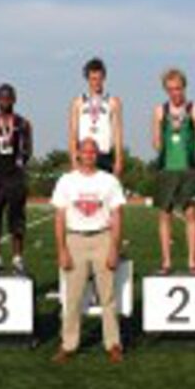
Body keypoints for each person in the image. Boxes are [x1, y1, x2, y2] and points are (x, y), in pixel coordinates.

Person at [51, 138, 125, 364]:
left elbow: (117, 216)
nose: (89, 155)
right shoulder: (66, 181)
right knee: (72, 298)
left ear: (97, 155)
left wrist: (114, 248)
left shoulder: (109, 180)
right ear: (78, 154)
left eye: (93, 152)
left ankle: (113, 344)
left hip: (102, 238)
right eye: (85, 151)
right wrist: (62, 249)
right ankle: (68, 344)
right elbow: (59, 217)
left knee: (108, 297)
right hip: (75, 239)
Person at [152, 68, 195, 275]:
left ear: (184, 87)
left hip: (188, 169)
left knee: (190, 214)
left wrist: (193, 157)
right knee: (164, 215)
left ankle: (192, 262)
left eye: (178, 88)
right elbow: (156, 139)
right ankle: (166, 262)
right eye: (170, 89)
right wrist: (163, 151)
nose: (175, 93)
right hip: (167, 169)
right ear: (166, 90)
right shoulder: (160, 110)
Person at [0, 83, 33, 276]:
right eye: (1, 97)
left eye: (8, 97)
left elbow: (28, 150)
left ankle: (18, 259)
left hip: (15, 176)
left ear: (14, 99)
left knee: (17, 219)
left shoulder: (23, 123)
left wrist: (19, 167)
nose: (5, 101)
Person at [68, 57, 124, 176]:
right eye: (93, 79)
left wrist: (119, 160)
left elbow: (117, 133)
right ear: (87, 79)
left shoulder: (113, 102)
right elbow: (73, 133)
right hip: (84, 155)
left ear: (104, 78)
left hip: (104, 154)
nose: (96, 83)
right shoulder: (77, 102)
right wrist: (73, 159)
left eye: (99, 79)